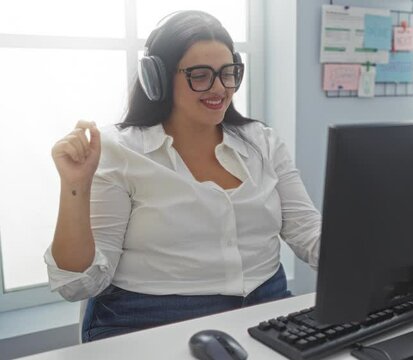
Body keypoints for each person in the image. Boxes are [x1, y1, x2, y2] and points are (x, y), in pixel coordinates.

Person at [45, 10, 321, 343]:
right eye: (200, 75)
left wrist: (383, 268)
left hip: (266, 309)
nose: (219, 87)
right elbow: (80, 285)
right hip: (149, 321)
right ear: (156, 80)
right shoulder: (118, 151)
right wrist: (75, 185)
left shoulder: (263, 142)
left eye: (228, 73)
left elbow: (308, 234)